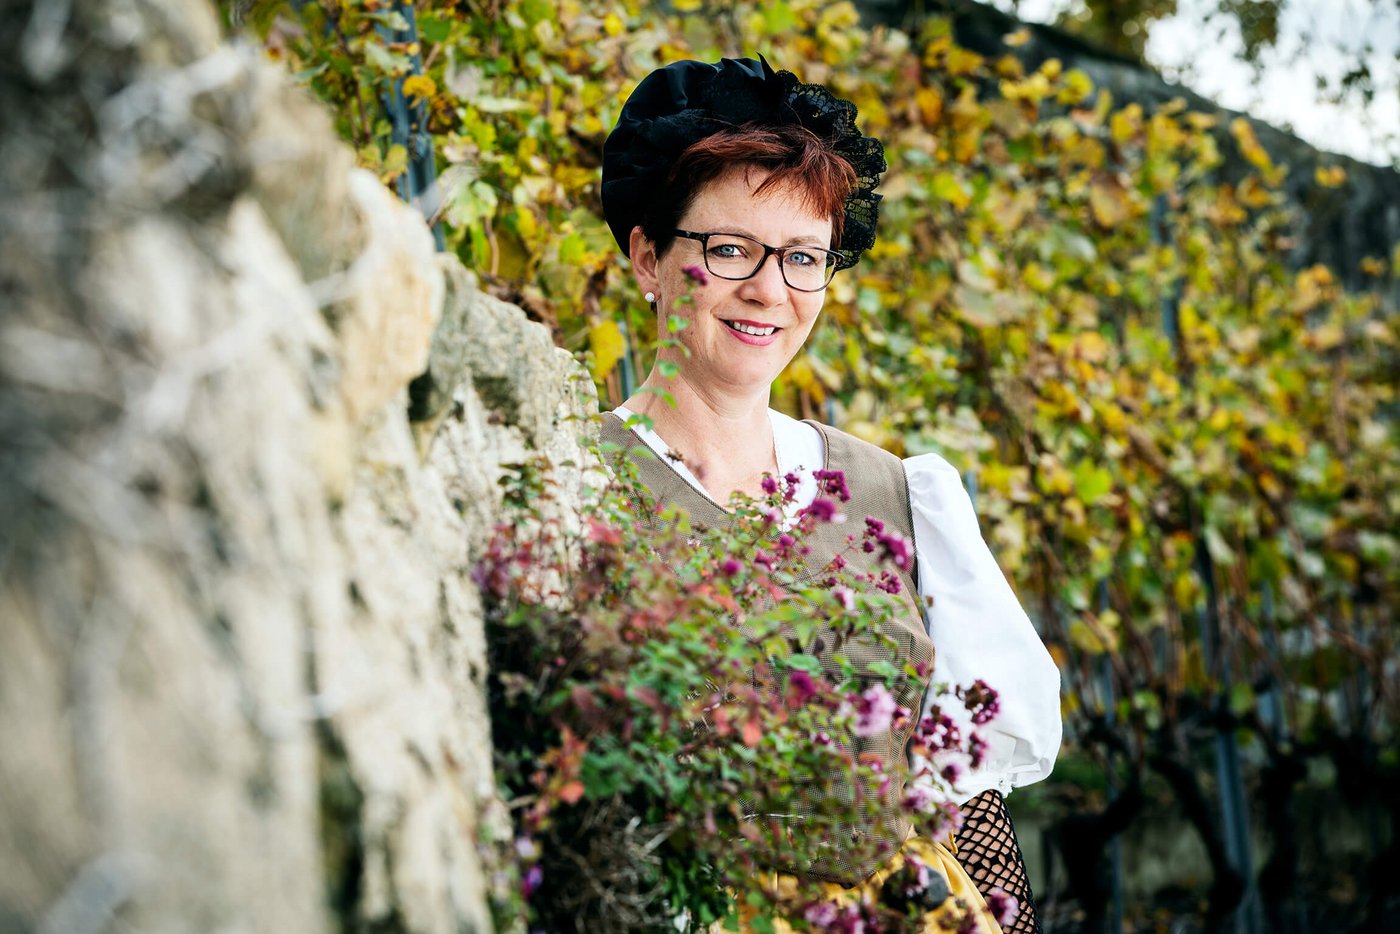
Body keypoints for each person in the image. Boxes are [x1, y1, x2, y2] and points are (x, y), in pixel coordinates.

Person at [598, 56, 1062, 932]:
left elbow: (964, 809)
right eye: (729, 249)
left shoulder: (899, 496)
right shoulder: (576, 484)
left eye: (803, 258)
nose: (768, 290)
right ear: (649, 257)